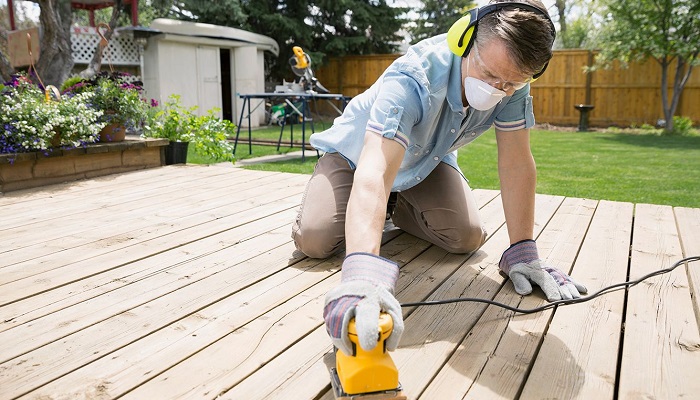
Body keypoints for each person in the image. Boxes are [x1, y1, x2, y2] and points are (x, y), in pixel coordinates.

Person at [291, 0, 588, 357]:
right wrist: (362, 278)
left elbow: (516, 163)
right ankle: (361, 204)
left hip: (423, 164)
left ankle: (393, 207)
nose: (497, 89)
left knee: (466, 236)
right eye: (490, 74)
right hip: (356, 158)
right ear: (464, 40)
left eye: (511, 82)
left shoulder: (512, 86)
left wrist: (523, 250)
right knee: (316, 240)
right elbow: (375, 172)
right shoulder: (412, 78)